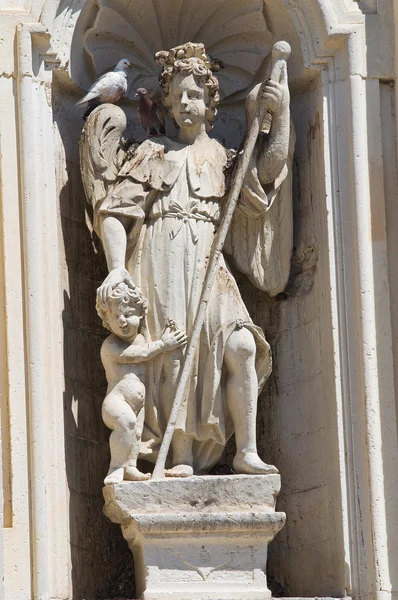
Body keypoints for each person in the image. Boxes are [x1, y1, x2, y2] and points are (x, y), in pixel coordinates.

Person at [86, 42, 292, 477]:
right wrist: (118, 267)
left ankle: (246, 452)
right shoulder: (152, 153)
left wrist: (282, 115)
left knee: (241, 345)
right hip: (158, 262)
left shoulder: (222, 157)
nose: (185, 103)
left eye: (194, 94)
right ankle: (178, 455)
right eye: (176, 96)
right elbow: (114, 215)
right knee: (175, 356)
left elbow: (267, 174)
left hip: (206, 260)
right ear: (164, 102)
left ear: (210, 102)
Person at [97, 281, 187, 484]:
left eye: (128, 315)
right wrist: (164, 344)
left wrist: (166, 339)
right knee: (126, 424)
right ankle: (116, 466)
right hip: (115, 402)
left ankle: (130, 466)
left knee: (136, 433)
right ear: (107, 322)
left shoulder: (141, 338)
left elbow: (151, 359)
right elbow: (139, 355)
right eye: (115, 317)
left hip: (139, 403)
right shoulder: (111, 345)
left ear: (140, 315)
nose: (122, 321)